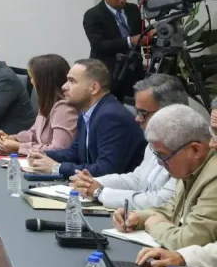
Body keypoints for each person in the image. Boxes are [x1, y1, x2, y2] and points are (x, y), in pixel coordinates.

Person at [70, 74, 186, 210]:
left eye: (143, 113)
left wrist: (100, 192)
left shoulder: (186, 148)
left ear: (168, 111)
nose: (137, 119)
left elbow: (161, 201)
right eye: (137, 112)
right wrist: (93, 182)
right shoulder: (153, 141)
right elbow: (136, 180)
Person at [112, 104, 217, 249]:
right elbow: (173, 209)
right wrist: (138, 217)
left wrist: (155, 225)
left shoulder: (213, 175)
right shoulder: (192, 168)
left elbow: (189, 242)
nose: (160, 164)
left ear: (195, 150)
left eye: (163, 156)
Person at [28, 58, 146, 177]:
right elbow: (75, 152)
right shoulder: (87, 112)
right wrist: (44, 154)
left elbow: (106, 170)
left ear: (94, 88)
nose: (64, 86)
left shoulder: (111, 117)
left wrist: (57, 167)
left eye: (72, 81)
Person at [0, 54, 77, 155]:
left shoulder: (63, 109)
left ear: (44, 82)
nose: (31, 81)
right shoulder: (47, 104)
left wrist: (19, 147)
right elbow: (33, 133)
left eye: (33, 77)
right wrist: (14, 138)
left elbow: (59, 149)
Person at [83, 0, 144, 100]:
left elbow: (139, 36)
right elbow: (98, 45)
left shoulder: (133, 10)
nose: (122, 0)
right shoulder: (93, 15)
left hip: (134, 71)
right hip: (109, 72)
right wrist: (129, 41)